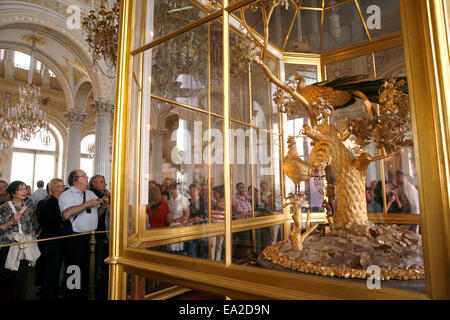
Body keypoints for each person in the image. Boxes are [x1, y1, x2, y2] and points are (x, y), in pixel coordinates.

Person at [58, 169, 102, 300]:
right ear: (75, 180)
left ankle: (85, 295)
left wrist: (103, 206)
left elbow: (96, 214)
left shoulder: (90, 193)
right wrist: (88, 204)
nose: (87, 177)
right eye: (84, 175)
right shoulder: (67, 195)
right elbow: (66, 214)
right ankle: (73, 296)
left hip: (92, 237)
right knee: (74, 269)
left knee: (88, 269)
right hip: (75, 238)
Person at [0, 180, 39, 300]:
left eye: (25, 188)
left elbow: (32, 224)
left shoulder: (28, 206)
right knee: (6, 277)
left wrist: (33, 237)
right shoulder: (4, 207)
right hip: (8, 246)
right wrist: (11, 221)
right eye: (20, 189)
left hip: (24, 246)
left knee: (21, 278)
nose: (24, 191)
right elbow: (1, 228)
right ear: (12, 193)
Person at [35, 178, 65, 300]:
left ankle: (52, 290)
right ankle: (49, 293)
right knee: (51, 267)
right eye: (59, 186)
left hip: (55, 238)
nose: (63, 188)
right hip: (51, 238)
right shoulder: (48, 202)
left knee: (54, 266)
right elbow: (48, 221)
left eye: (63, 186)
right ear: (52, 189)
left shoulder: (59, 201)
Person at [89, 174, 111, 300]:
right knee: (95, 260)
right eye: (102, 182)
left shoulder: (103, 194)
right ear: (94, 184)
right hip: (96, 232)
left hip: (103, 231)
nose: (105, 184)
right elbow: (97, 215)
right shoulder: (93, 195)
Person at [167, 183, 189, 255]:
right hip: (170, 227)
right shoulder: (169, 201)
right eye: (170, 189)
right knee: (171, 250)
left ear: (177, 190)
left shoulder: (183, 199)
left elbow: (187, 215)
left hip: (180, 226)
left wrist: (175, 220)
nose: (171, 191)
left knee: (179, 249)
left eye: (173, 189)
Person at [210, 186, 225, 261]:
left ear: (219, 193)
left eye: (215, 193)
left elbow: (221, 207)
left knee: (219, 245)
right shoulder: (211, 202)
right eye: (213, 193)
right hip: (212, 225)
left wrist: (214, 201)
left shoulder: (224, 201)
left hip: (221, 225)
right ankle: (212, 260)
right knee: (212, 245)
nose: (213, 194)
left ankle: (217, 260)